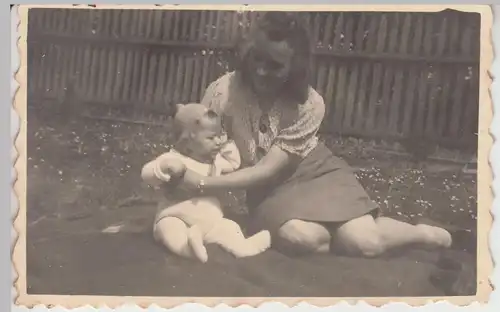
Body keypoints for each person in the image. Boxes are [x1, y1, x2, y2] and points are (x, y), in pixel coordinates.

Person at [173, 12, 452, 257]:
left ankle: (423, 234)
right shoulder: (223, 92)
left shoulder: (309, 103)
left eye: (274, 64)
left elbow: (267, 170)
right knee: (300, 237)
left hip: (315, 173)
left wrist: (200, 185)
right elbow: (201, 146)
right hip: (269, 192)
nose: (260, 70)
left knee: (366, 243)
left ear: (294, 66)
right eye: (257, 58)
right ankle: (340, 233)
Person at [141, 103, 271, 263]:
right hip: (176, 216)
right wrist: (163, 167)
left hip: (210, 222)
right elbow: (147, 173)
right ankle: (187, 249)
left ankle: (244, 247)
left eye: (219, 135)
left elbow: (234, 163)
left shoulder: (216, 161)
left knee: (230, 228)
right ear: (187, 141)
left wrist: (226, 144)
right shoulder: (174, 159)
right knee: (168, 229)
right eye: (211, 138)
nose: (217, 141)